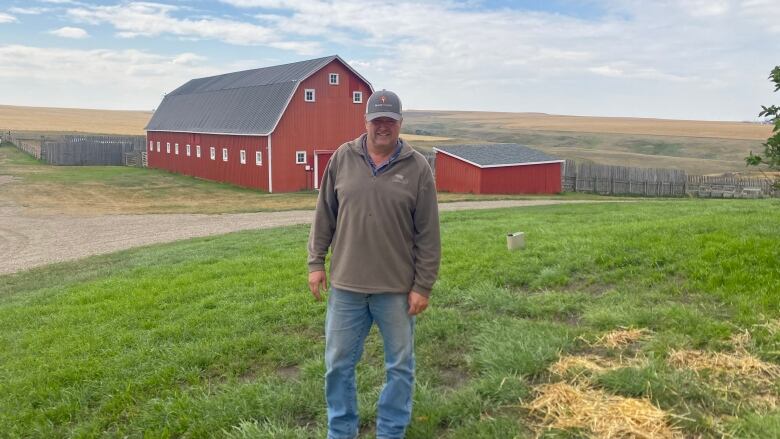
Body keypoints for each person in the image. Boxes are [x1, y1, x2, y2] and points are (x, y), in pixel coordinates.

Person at [307, 89, 441, 439]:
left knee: (399, 367)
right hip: (347, 287)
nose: (383, 127)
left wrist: (422, 286)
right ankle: (341, 431)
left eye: (389, 121)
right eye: (376, 120)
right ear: (365, 121)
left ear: (400, 124)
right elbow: (325, 214)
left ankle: (391, 432)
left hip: (396, 290)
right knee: (337, 366)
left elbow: (428, 234)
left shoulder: (418, 168)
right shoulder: (342, 158)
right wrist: (315, 262)